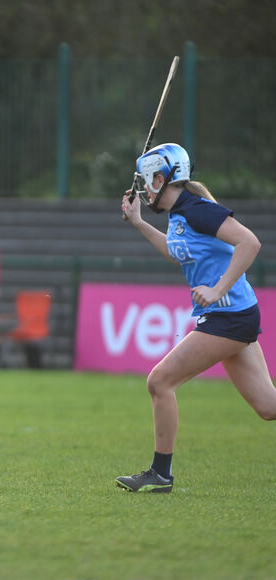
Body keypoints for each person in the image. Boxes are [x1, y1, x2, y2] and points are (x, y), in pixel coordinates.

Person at [117, 142, 276, 493]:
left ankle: (160, 474)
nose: (145, 189)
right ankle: (160, 475)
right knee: (268, 406)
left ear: (162, 178)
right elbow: (179, 253)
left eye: (148, 181)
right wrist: (139, 222)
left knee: (160, 381)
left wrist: (218, 289)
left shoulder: (198, 210)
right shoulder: (178, 216)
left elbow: (250, 243)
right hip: (232, 316)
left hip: (229, 315)